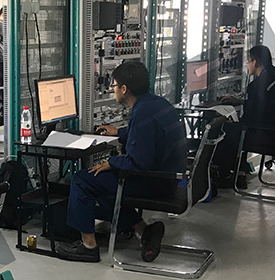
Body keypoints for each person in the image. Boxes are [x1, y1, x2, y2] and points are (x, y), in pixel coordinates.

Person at [56, 61, 188, 264]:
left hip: (156, 182)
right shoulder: (157, 103)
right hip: (171, 178)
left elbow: (138, 162)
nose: (113, 90)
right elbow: (147, 135)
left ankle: (88, 246)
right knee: (103, 183)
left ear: (124, 89)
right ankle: (144, 231)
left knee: (83, 180)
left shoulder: (141, 113)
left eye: (114, 85)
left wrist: (111, 163)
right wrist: (119, 132)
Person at [212, 45, 275, 189]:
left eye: (248, 61)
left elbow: (250, 119)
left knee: (225, 130)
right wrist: (243, 102)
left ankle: (225, 175)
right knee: (238, 130)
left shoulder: (257, 85)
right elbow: (268, 104)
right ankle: (240, 173)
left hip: (273, 136)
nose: (247, 65)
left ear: (255, 62)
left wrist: (229, 117)